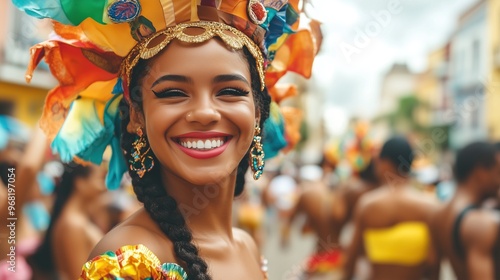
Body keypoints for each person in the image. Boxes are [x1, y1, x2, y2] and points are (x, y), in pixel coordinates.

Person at [14, 0, 320, 279]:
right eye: (173, 93)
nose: (204, 113)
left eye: (230, 91)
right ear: (137, 115)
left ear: (257, 112)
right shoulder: (129, 260)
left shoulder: (246, 244)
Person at [343, 136, 440, 280]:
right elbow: (434, 265)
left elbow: (350, 262)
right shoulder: (430, 207)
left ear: (385, 163)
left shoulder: (368, 205)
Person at [28, 161, 107, 280]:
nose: (104, 186)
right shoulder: (73, 225)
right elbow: (78, 276)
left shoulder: (76, 219)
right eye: (101, 179)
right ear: (80, 182)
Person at [432, 142, 500, 280]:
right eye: (498, 172)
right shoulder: (480, 223)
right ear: (480, 173)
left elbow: (432, 268)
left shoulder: (438, 214)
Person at [0, 120, 49, 280]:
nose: (40, 183)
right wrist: (47, 117)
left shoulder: (23, 212)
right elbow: (29, 168)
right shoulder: (7, 212)